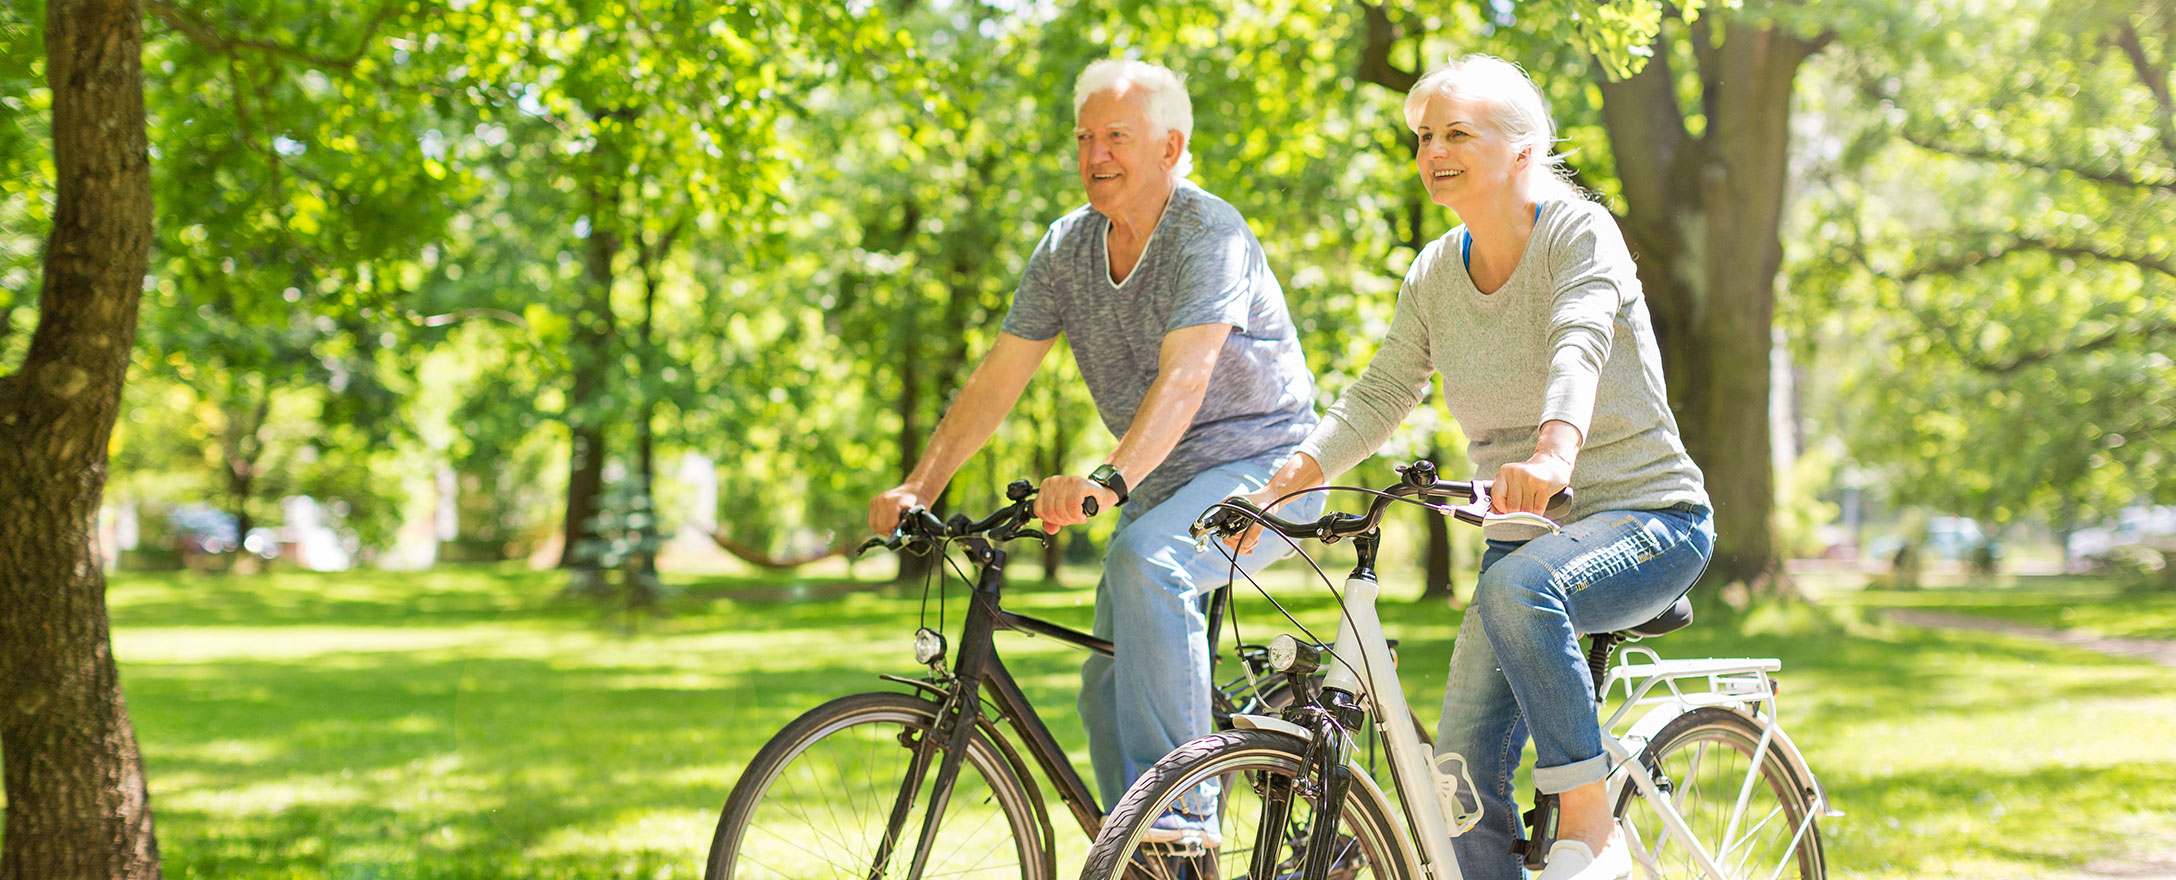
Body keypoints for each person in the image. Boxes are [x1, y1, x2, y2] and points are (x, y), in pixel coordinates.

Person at [1227, 55, 1713, 880]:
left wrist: (1555, 449)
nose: (1432, 150)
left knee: (1520, 587)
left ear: (1523, 151)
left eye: (1457, 132)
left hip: (1650, 517)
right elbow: (1383, 391)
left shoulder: (1577, 231)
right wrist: (1289, 478)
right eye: (1423, 137)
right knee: (1455, 782)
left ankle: (1591, 820)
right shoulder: (1432, 274)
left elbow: (1580, 340)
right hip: (1525, 534)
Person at [868, 58, 1323, 844]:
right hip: (1160, 484)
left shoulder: (1206, 231)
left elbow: (1186, 378)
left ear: (1170, 146)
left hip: (1265, 471)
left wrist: (1109, 481)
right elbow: (1000, 375)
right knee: (1107, 680)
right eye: (1084, 138)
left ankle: (1179, 822)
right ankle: (1137, 855)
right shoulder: (1067, 248)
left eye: (1117, 136)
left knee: (1148, 561)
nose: (1095, 155)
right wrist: (921, 485)